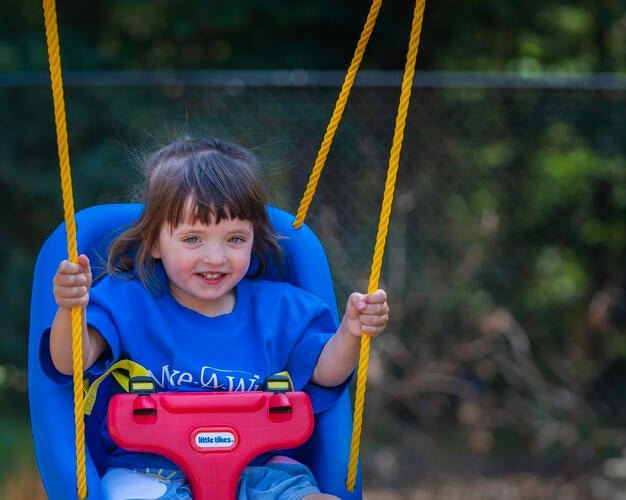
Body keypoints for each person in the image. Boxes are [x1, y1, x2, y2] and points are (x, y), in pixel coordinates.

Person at [47, 137, 390, 500]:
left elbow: (326, 372)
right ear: (152, 242)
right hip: (149, 470)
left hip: (261, 472)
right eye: (193, 239)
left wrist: (352, 332)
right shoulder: (125, 302)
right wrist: (72, 308)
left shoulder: (281, 310)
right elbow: (70, 362)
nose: (215, 257)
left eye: (235, 239)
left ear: (254, 237)